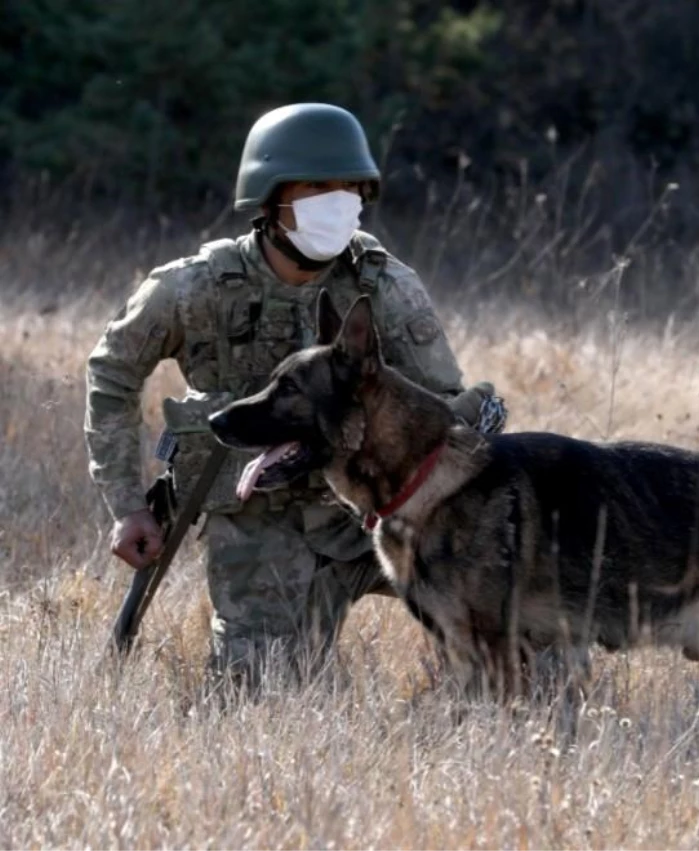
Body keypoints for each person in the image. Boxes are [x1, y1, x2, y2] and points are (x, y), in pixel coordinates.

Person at [85, 102, 506, 688]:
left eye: (348, 187)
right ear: (270, 197)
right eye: (317, 187)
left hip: (376, 512)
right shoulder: (195, 288)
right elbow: (112, 372)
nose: (338, 202)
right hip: (261, 523)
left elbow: (440, 402)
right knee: (262, 691)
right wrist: (127, 503)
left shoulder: (382, 285)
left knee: (518, 622)